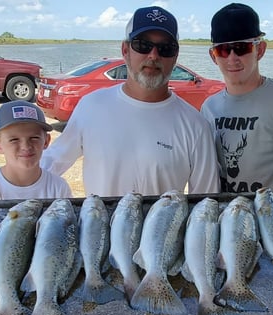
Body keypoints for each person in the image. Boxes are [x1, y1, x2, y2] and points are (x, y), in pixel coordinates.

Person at [40, 6, 220, 197]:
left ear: (175, 56)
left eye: (165, 48)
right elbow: (47, 168)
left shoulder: (195, 125)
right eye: (142, 45)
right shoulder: (91, 107)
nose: (153, 55)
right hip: (100, 227)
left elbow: (205, 202)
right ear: (125, 50)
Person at [201, 3, 273, 193]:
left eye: (241, 48)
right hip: (226, 215)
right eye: (223, 50)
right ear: (213, 57)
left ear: (260, 50)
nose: (232, 58)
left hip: (272, 216)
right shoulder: (209, 107)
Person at [0, 100, 72, 203]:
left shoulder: (59, 188)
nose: (25, 147)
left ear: (46, 141)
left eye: (34, 138)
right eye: (14, 140)